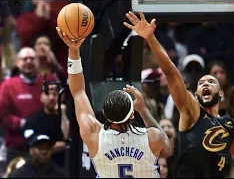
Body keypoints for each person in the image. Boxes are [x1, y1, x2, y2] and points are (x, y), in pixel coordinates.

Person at [123, 11, 234, 178]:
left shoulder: (229, 125)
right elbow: (172, 73)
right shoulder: (191, 111)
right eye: (201, 83)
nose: (206, 84)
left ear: (221, 92)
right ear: (195, 95)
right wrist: (151, 39)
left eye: (211, 82)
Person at [55, 27, 171, 178]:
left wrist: (73, 51)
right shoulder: (152, 137)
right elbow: (167, 149)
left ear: (105, 115)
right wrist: (144, 111)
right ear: (131, 115)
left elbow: (77, 91)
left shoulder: (94, 135)